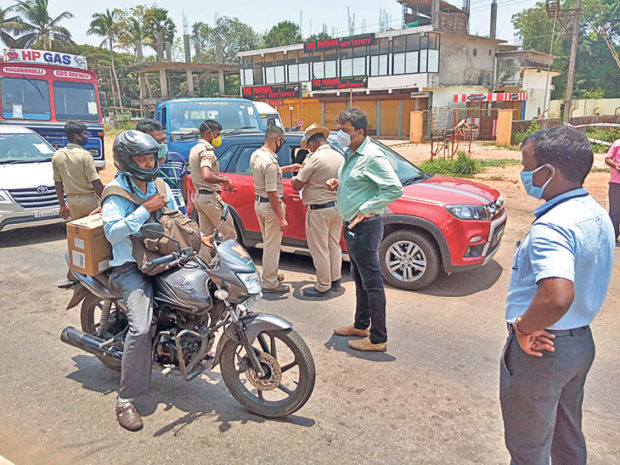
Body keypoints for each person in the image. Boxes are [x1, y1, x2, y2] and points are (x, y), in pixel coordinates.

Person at [500, 126, 615, 464]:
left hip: (542, 346)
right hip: (579, 343)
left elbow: (556, 296)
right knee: (567, 437)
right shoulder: (595, 212)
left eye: (526, 165)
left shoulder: (553, 227)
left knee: (528, 450)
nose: (523, 174)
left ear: (547, 172)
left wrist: (523, 329)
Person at [101, 130, 178, 432]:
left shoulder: (160, 184)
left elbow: (175, 216)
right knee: (141, 326)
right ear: (126, 161)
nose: (148, 163)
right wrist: (144, 209)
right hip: (130, 267)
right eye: (141, 159)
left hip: (163, 258)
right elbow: (112, 232)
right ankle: (125, 400)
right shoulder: (115, 192)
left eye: (151, 158)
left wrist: (202, 238)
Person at [330, 108, 402, 352]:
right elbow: (361, 183)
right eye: (339, 129)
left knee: (372, 283)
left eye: (346, 130)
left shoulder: (371, 155)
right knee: (358, 278)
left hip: (365, 227)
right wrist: (339, 185)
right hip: (352, 226)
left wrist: (366, 208)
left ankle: (378, 338)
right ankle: (361, 324)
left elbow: (394, 189)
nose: (340, 134)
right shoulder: (351, 152)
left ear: (360, 132)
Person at [291, 123, 344, 298]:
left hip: (319, 210)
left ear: (312, 144)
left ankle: (323, 285)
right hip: (336, 207)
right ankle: (335, 280)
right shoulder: (338, 156)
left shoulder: (313, 159)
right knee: (333, 245)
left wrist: (295, 175)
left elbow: (297, 184)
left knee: (320, 249)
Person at [250, 125, 301, 294]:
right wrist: (282, 218)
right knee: (272, 246)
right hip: (271, 206)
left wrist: (287, 168)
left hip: (259, 204)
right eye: (281, 141)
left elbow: (268, 174)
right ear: (276, 139)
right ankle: (270, 283)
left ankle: (271, 274)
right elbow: (272, 193)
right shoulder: (270, 162)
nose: (281, 144)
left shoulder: (257, 154)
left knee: (268, 243)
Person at [188, 120, 236, 239]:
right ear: (209, 133)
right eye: (217, 135)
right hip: (210, 198)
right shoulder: (207, 151)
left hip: (199, 197)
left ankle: (204, 258)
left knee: (206, 238)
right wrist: (224, 180)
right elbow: (206, 175)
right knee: (230, 236)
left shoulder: (195, 148)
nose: (218, 138)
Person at [135, 119, 188, 215]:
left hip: (180, 218)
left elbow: (183, 180)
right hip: (154, 221)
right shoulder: (134, 166)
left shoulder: (177, 159)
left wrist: (184, 201)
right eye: (157, 142)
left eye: (164, 140)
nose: (162, 144)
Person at [52, 121, 103, 221]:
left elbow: (58, 183)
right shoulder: (85, 155)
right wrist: (106, 199)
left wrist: (62, 205)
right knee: (93, 233)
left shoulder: (57, 155)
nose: (86, 137)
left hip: (72, 203)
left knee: (78, 233)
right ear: (77, 136)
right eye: (84, 134)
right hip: (90, 201)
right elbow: (95, 182)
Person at [604, 138, 620, 245]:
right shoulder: (617, 143)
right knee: (615, 211)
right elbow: (607, 159)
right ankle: (613, 237)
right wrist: (616, 165)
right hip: (616, 183)